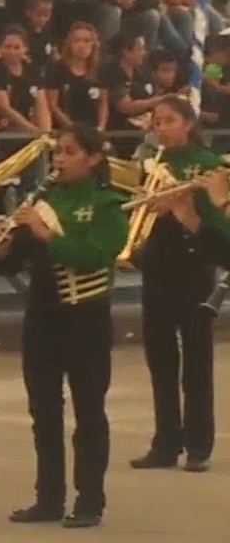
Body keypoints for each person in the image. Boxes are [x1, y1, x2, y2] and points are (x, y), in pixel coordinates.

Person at [0, 125, 127, 528]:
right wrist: (4, 249)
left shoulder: (107, 205)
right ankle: (48, 498)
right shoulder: (42, 200)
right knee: (44, 412)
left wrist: (45, 233)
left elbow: (97, 256)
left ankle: (90, 500)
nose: (60, 160)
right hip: (43, 316)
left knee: (89, 412)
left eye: (69, 152)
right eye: (57, 153)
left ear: (93, 158)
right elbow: (19, 262)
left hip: (86, 317)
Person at [129, 95, 222, 474]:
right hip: (158, 266)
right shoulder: (155, 162)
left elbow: (218, 220)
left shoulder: (207, 164)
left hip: (194, 266)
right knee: (160, 357)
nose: (161, 127)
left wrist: (183, 210)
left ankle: (199, 444)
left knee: (196, 359)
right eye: (156, 121)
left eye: (168, 120)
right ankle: (165, 441)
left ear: (187, 123)